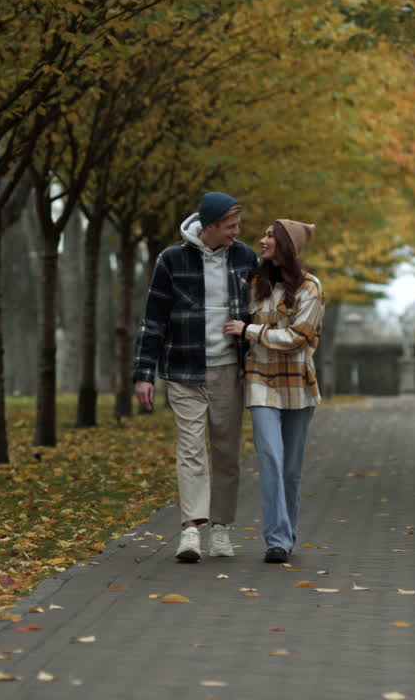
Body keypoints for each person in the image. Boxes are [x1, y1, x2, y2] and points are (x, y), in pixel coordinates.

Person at [133, 192, 260, 563]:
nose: (236, 234)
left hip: (228, 371)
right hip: (184, 369)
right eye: (230, 227)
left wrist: (249, 329)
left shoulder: (245, 257)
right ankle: (191, 529)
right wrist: (144, 374)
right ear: (209, 227)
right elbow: (153, 320)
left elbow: (260, 310)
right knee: (191, 449)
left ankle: (220, 529)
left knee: (225, 452)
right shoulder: (172, 260)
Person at [223, 219, 323, 564]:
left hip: (298, 386)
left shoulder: (310, 288)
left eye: (270, 235)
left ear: (286, 245)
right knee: (270, 459)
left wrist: (250, 331)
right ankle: (277, 540)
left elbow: (298, 339)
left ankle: (287, 534)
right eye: (264, 233)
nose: (262, 240)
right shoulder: (255, 282)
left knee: (291, 468)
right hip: (260, 381)